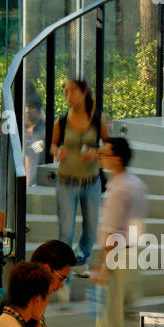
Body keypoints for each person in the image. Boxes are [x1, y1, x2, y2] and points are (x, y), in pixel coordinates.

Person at [89, 137, 147, 327]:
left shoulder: (118, 189)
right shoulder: (135, 183)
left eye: (105, 153)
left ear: (118, 158)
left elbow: (112, 233)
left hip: (119, 255)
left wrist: (103, 268)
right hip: (134, 254)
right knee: (127, 314)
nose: (100, 156)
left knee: (109, 318)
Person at [50, 78, 110, 266]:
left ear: (84, 92)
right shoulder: (61, 121)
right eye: (65, 92)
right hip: (66, 182)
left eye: (72, 91)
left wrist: (96, 152)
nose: (68, 96)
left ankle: (80, 259)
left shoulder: (97, 118)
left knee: (91, 231)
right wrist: (57, 151)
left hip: (91, 182)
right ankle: (63, 275)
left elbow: (108, 146)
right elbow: (52, 145)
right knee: (66, 232)